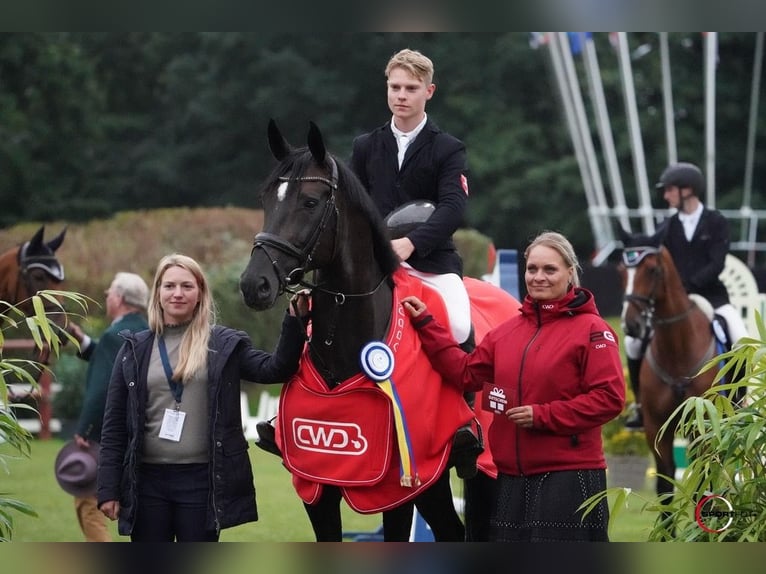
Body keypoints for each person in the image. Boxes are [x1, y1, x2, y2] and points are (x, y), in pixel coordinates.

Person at [402, 231, 625, 542]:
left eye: (550, 270)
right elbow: (465, 373)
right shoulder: (505, 332)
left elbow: (609, 399)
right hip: (512, 479)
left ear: (570, 273)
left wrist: (542, 415)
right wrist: (428, 325)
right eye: (532, 269)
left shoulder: (593, 330)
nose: (539, 277)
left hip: (568, 476)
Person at [97, 253, 309, 542]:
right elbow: (113, 426)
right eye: (169, 286)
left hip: (202, 482)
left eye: (187, 286)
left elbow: (275, 369)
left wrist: (294, 320)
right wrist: (108, 489)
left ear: (200, 294)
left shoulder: (223, 344)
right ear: (158, 292)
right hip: (146, 482)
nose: (178, 293)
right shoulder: (135, 349)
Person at [349, 47, 472, 347]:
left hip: (431, 262)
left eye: (411, 88)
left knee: (459, 326)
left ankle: (466, 392)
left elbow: (453, 207)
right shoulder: (365, 146)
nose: (401, 95)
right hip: (374, 261)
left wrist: (410, 243)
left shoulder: (449, 148)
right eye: (395, 87)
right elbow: (353, 206)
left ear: (429, 91)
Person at [623, 161, 750, 429]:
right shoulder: (666, 227)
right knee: (632, 343)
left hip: (710, 295)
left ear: (688, 190)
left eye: (670, 190)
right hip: (673, 301)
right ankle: (640, 405)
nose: (666, 196)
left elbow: (717, 262)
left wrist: (688, 285)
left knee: (739, 336)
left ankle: (739, 401)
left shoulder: (715, 222)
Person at [65, 271, 150, 542]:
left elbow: (104, 386)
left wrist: (85, 429)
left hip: (105, 435)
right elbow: (112, 358)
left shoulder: (116, 334)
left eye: (110, 291)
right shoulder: (144, 330)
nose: (106, 295)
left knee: (87, 504)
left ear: (121, 298)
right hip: (140, 432)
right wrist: (85, 342)